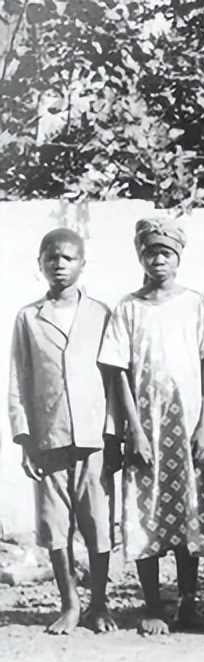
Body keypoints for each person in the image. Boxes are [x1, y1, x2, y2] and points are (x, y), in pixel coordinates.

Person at [99, 218, 204, 636]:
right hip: (147, 426)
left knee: (189, 509)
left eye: (166, 253)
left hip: (186, 425)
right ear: (140, 256)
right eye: (151, 252)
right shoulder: (127, 308)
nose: (158, 260)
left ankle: (188, 603)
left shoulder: (198, 305)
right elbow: (118, 372)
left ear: (178, 258)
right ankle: (152, 605)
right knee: (143, 509)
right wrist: (134, 430)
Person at [8, 228, 115, 635]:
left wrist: (114, 434)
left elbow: (113, 376)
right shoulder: (28, 317)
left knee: (97, 522)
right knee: (56, 525)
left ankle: (100, 604)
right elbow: (19, 378)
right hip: (49, 437)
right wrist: (24, 439)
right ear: (40, 265)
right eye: (51, 258)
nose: (59, 265)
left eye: (68, 258)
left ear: (82, 264)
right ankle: (70, 604)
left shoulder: (101, 313)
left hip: (94, 438)